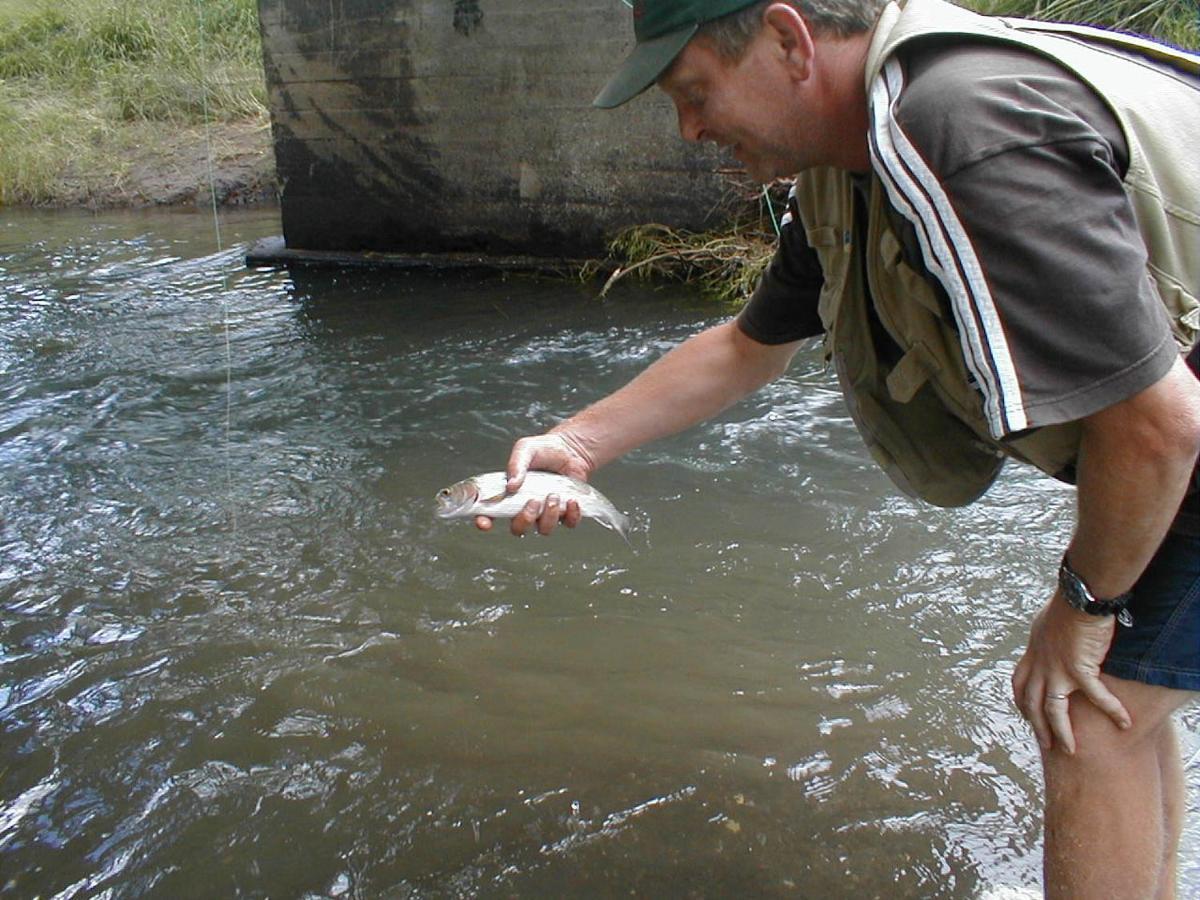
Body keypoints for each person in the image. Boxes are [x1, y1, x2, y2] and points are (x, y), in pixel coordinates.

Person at [475, 0, 1200, 894]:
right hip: (1177, 431)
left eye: (695, 91)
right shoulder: (853, 159)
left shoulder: (955, 128)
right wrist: (576, 443)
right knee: (1118, 701)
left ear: (790, 40)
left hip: (1179, 432)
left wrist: (1083, 605)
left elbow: (1160, 425)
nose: (691, 127)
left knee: (1083, 711)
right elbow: (750, 345)